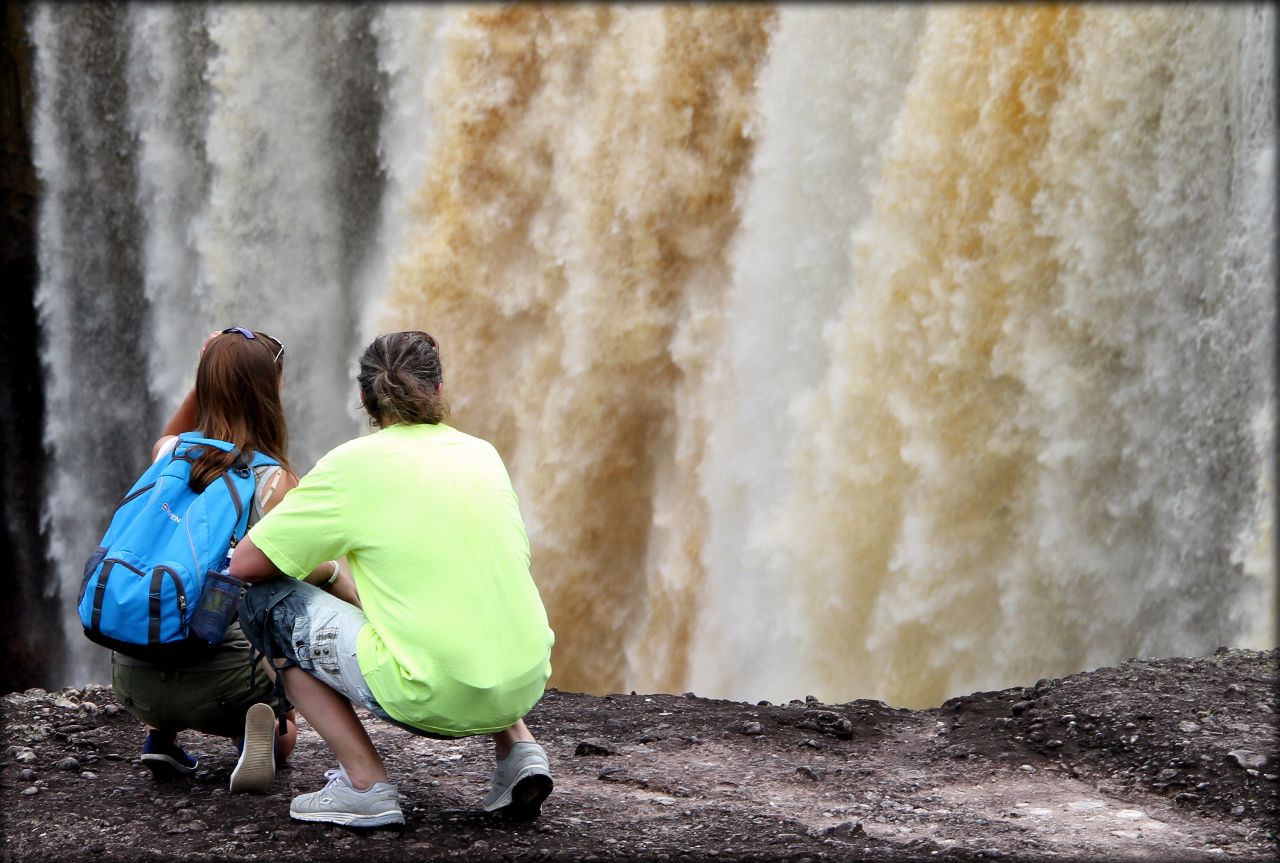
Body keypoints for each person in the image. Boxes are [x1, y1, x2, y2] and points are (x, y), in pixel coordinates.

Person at [230, 330, 555, 829]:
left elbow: (247, 565)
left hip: (430, 692)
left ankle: (364, 785)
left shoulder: (353, 464)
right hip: (523, 679)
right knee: (462, 595)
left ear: (364, 399)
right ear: (439, 389)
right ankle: (520, 752)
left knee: (262, 603)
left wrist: (332, 573)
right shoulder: (482, 453)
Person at [109, 327, 337, 794]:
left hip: (131, 678)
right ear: (270, 392)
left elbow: (171, 432)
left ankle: (161, 733)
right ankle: (261, 731)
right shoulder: (275, 481)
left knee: (170, 584)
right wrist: (335, 573)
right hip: (226, 682)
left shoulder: (169, 456)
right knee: (272, 594)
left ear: (207, 388)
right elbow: (299, 571)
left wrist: (205, 374)